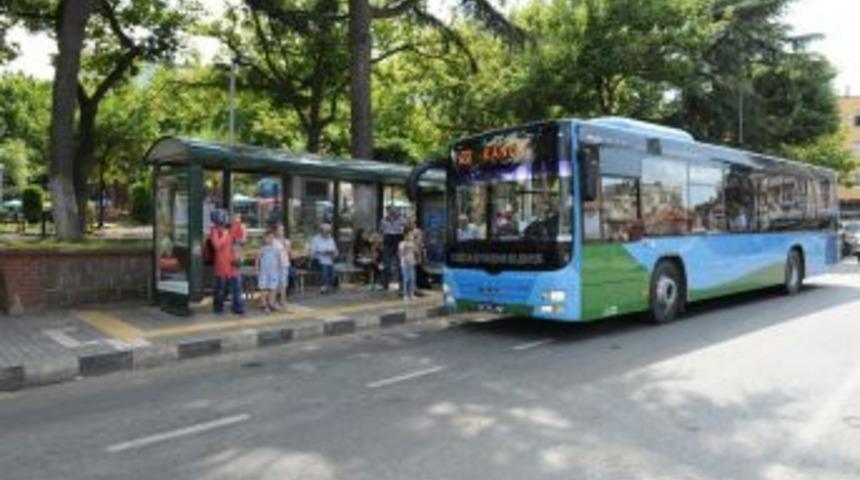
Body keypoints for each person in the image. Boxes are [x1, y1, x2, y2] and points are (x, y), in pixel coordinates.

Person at [208, 209, 244, 315]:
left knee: (237, 286)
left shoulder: (229, 228)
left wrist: (238, 223)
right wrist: (224, 235)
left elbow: (240, 238)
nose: (226, 218)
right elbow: (216, 246)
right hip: (222, 264)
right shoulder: (214, 230)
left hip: (233, 262)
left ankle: (238, 307)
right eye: (224, 216)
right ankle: (218, 307)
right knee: (220, 287)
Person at [378, 206, 405, 292]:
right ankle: (385, 284)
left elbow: (406, 228)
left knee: (400, 264)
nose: (392, 212)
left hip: (398, 239)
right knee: (387, 264)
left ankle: (402, 285)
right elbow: (381, 231)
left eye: (394, 211)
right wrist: (381, 242)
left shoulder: (401, 219)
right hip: (388, 240)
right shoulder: (383, 220)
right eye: (390, 211)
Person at [256, 231, 282, 313]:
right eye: (268, 237)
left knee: (273, 288)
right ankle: (264, 305)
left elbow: (279, 259)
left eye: (272, 237)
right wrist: (257, 269)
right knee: (263, 288)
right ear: (265, 239)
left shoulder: (276, 248)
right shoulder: (262, 249)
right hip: (264, 272)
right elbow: (257, 260)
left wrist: (278, 268)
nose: (270, 239)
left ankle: (272, 303)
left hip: (273, 272)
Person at [310, 223, 338, 293]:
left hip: (329, 260)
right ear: (321, 231)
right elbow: (312, 253)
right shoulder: (315, 239)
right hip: (318, 260)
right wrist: (321, 252)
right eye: (326, 231)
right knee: (324, 267)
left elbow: (335, 250)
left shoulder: (330, 239)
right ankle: (324, 287)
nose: (328, 233)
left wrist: (334, 253)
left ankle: (328, 285)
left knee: (332, 271)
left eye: (329, 231)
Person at [273, 223, 291, 309]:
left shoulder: (287, 241)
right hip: (275, 266)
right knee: (275, 284)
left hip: (284, 264)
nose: (282, 232)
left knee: (283, 283)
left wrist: (284, 244)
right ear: (276, 231)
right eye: (280, 230)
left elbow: (288, 252)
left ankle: (283, 301)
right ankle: (274, 301)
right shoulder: (273, 241)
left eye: (283, 230)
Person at [398, 228, 418, 300]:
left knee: (412, 278)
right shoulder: (402, 243)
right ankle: (405, 294)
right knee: (406, 279)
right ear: (405, 235)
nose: (411, 236)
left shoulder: (412, 243)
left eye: (411, 235)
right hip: (405, 263)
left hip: (411, 262)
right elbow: (401, 253)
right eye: (409, 235)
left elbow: (415, 251)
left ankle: (411, 293)